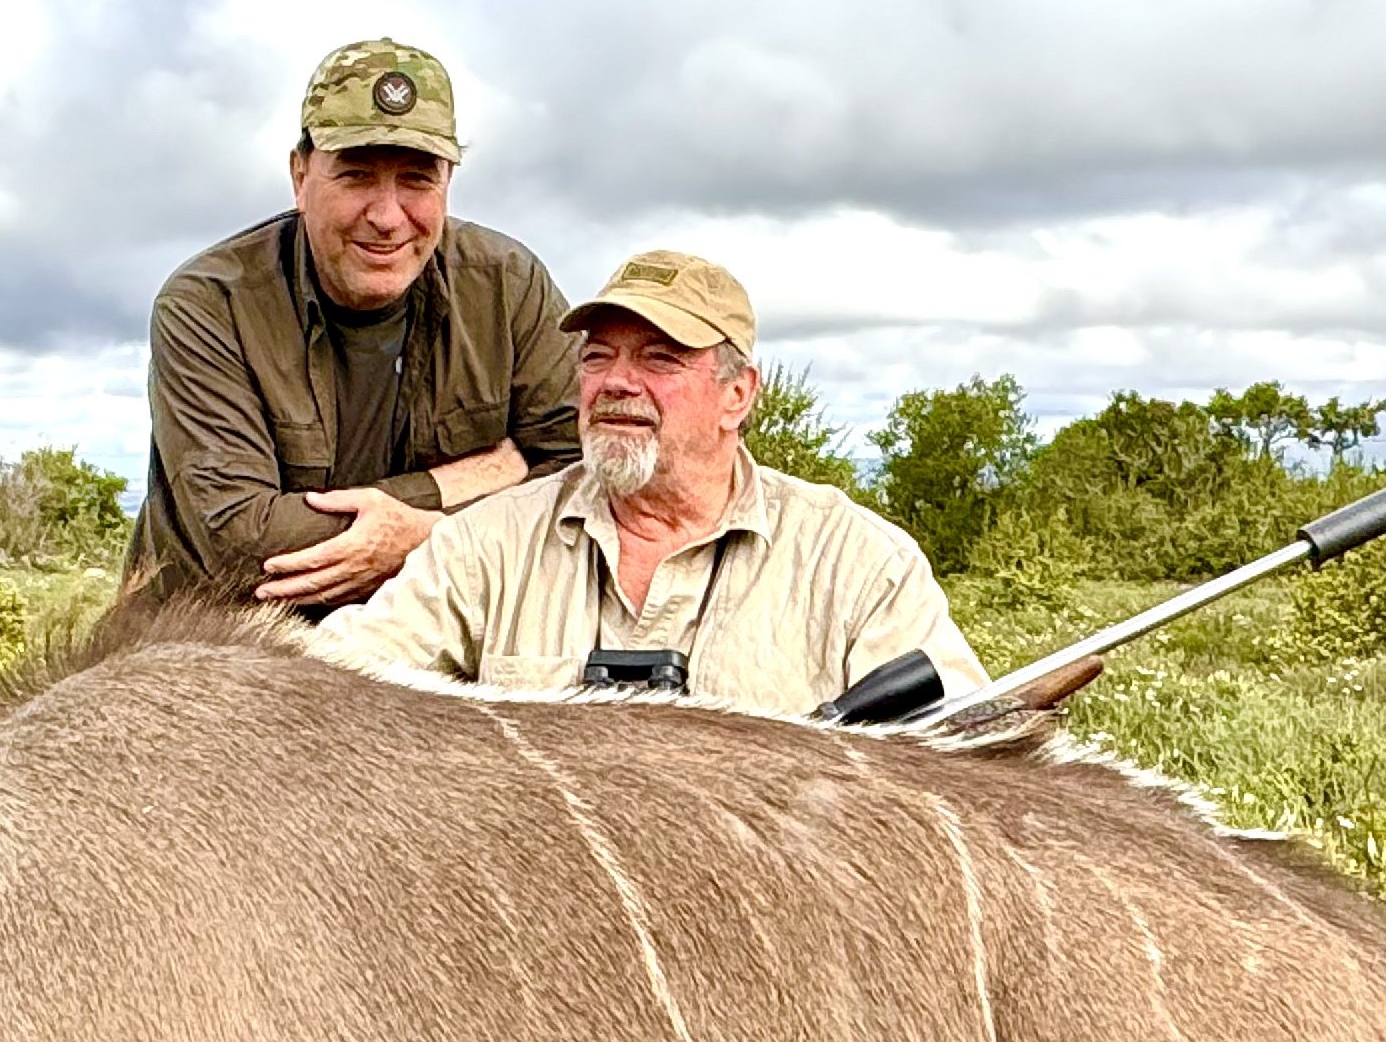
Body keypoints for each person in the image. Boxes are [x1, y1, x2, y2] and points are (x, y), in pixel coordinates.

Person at [309, 249, 986, 719]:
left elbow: (962, 747)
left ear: (738, 396)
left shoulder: (859, 562)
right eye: (597, 357)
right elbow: (331, 680)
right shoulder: (488, 544)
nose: (617, 382)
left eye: (660, 358)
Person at [128, 38, 582, 609]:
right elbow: (243, 542)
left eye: (417, 178)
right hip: (224, 643)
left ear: (447, 181)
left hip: (429, 633)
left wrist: (427, 535)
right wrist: (455, 486)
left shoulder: (507, 284)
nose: (388, 216)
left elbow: (581, 477)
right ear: (300, 176)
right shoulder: (208, 304)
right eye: (357, 175)